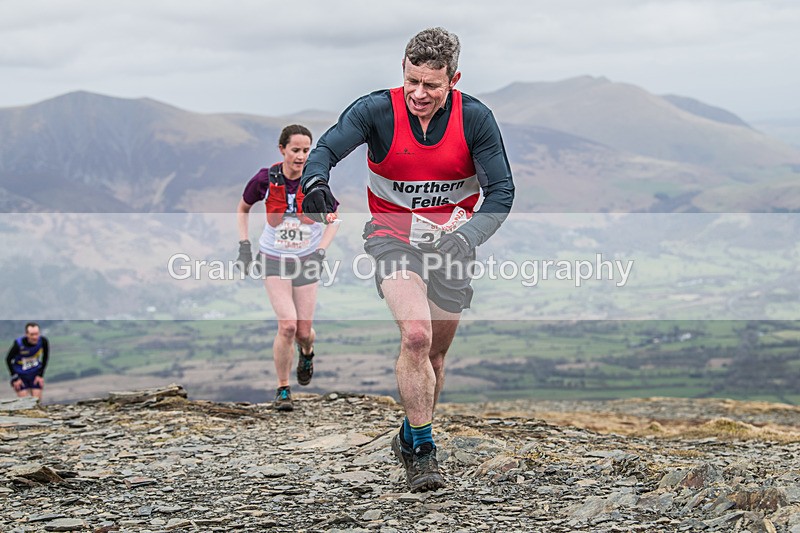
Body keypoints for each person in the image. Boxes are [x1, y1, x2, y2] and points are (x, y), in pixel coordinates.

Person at [300, 28, 515, 492]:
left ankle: (408, 430)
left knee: (435, 356)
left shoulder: (475, 119)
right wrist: (314, 183)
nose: (419, 93)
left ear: (453, 80)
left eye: (431, 85)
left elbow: (501, 193)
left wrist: (469, 235)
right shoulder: (376, 110)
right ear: (403, 69)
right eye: (412, 80)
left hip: (454, 245)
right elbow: (325, 151)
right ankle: (422, 451)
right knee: (415, 335)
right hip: (392, 239)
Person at [236, 124, 339, 412]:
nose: (301, 156)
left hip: (307, 259)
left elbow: (334, 219)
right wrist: (244, 245)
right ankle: (283, 388)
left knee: (304, 332)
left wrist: (321, 251)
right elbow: (243, 208)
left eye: (307, 150)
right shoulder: (265, 179)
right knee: (288, 326)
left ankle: (307, 353)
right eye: (295, 150)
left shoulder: (316, 180)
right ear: (282, 149)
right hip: (273, 258)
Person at [6, 322, 49, 401]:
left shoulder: (43, 341)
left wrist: (40, 375)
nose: (35, 337)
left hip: (35, 373)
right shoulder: (18, 344)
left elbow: (45, 357)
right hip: (20, 374)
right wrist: (15, 378)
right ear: (26, 334)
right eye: (32, 334)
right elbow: (8, 359)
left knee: (37, 402)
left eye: (36, 334)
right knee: (25, 403)